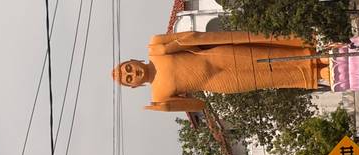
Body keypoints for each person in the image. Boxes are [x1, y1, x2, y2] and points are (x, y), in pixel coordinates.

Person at [112, 31, 332, 112]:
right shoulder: (158, 96)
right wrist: (167, 107)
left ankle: (314, 56)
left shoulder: (156, 46)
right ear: (134, 86)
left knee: (263, 55)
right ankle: (317, 74)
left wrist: (170, 46)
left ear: (133, 60)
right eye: (129, 78)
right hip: (218, 82)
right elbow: (199, 105)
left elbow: (194, 36)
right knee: (268, 76)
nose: (133, 73)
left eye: (128, 68)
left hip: (216, 56)